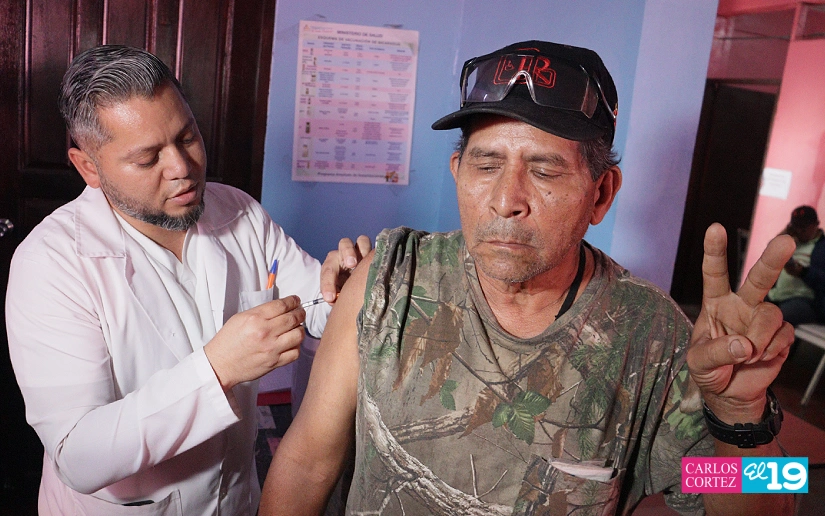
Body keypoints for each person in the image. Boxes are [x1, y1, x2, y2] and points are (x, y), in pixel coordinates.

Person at [260, 40, 795, 515]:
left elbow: (769, 497)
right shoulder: (390, 281)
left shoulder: (653, 336)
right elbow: (307, 463)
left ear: (601, 194)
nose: (506, 200)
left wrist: (741, 420)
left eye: (544, 171)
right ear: (457, 173)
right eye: (486, 165)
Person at [4, 45, 369, 515]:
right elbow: (78, 454)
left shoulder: (238, 212)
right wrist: (218, 369)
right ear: (88, 167)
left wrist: (345, 288)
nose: (182, 168)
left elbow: (317, 305)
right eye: (147, 158)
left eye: (187, 137)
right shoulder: (51, 263)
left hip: (235, 498)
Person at [767, 205, 825, 326]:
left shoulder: (822, 247)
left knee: (776, 319)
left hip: (805, 300)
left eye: (803, 229)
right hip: (777, 294)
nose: (799, 232)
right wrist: (785, 233)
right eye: (796, 227)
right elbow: (770, 252)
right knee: (748, 309)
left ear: (816, 225)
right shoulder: (793, 241)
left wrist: (803, 272)